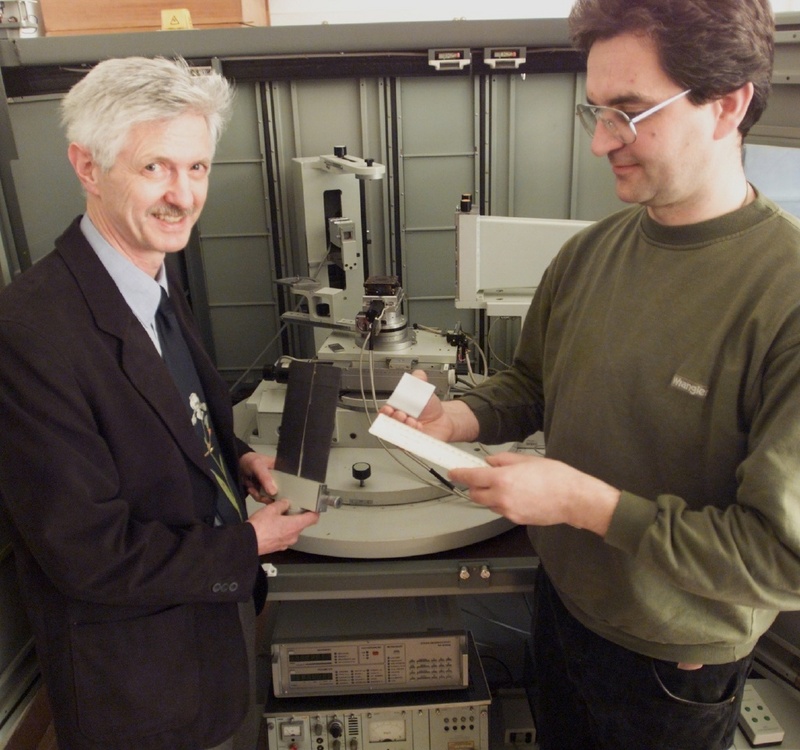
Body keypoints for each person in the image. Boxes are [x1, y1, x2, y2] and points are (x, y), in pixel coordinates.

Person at [383, 1, 800, 748]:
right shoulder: (591, 251)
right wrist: (461, 419)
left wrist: (583, 503)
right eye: (597, 112)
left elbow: (779, 558)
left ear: (728, 103)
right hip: (564, 608)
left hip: (671, 660)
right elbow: (535, 381)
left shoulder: (785, 297)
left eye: (631, 112)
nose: (602, 142)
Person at [0, 57, 318, 750]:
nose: (183, 195)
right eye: (156, 169)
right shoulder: (30, 331)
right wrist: (247, 543)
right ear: (87, 166)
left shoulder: (148, 277)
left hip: (207, 657)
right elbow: (86, 553)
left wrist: (232, 459)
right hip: (139, 696)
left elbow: (164, 418)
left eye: (197, 167)